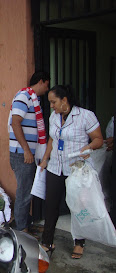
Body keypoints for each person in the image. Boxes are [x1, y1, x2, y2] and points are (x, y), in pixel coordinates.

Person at [39, 85, 103, 259]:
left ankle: (79, 242)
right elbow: (52, 138)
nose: (51, 106)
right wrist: (45, 159)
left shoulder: (85, 116)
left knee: (78, 206)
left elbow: (99, 139)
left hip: (76, 168)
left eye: (53, 102)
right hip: (55, 167)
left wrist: (89, 146)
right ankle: (47, 242)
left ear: (64, 100)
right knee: (51, 205)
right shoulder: (54, 116)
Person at [8, 71, 50, 232]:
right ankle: (21, 229)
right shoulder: (23, 96)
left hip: (29, 153)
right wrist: (26, 150)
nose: (47, 89)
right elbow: (15, 123)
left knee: (28, 191)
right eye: (47, 84)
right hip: (22, 154)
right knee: (24, 192)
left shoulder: (34, 100)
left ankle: (26, 223)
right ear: (41, 81)